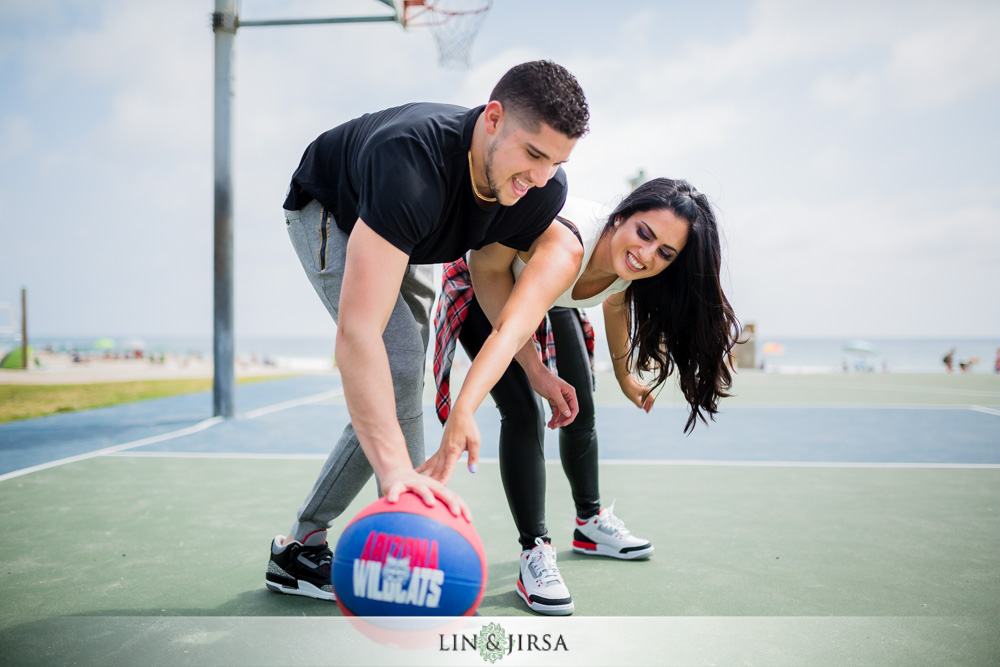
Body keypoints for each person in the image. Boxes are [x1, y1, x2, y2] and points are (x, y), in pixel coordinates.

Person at [266, 60, 590, 601]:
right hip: (335, 208)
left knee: (399, 380)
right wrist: (397, 474)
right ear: (492, 119)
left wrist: (534, 368)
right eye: (533, 154)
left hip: (410, 232)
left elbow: (489, 277)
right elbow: (357, 334)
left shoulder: (539, 187)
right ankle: (403, 535)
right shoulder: (410, 163)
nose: (540, 176)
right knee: (396, 363)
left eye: (555, 162)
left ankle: (301, 548)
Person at [431, 178, 740, 614]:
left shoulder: (629, 264)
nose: (647, 255)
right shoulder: (569, 247)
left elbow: (615, 303)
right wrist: (481, 399)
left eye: (665, 253)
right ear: (619, 218)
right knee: (524, 412)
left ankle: (589, 523)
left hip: (548, 293)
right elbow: (508, 328)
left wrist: (622, 375)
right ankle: (535, 551)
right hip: (488, 281)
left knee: (580, 409)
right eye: (644, 234)